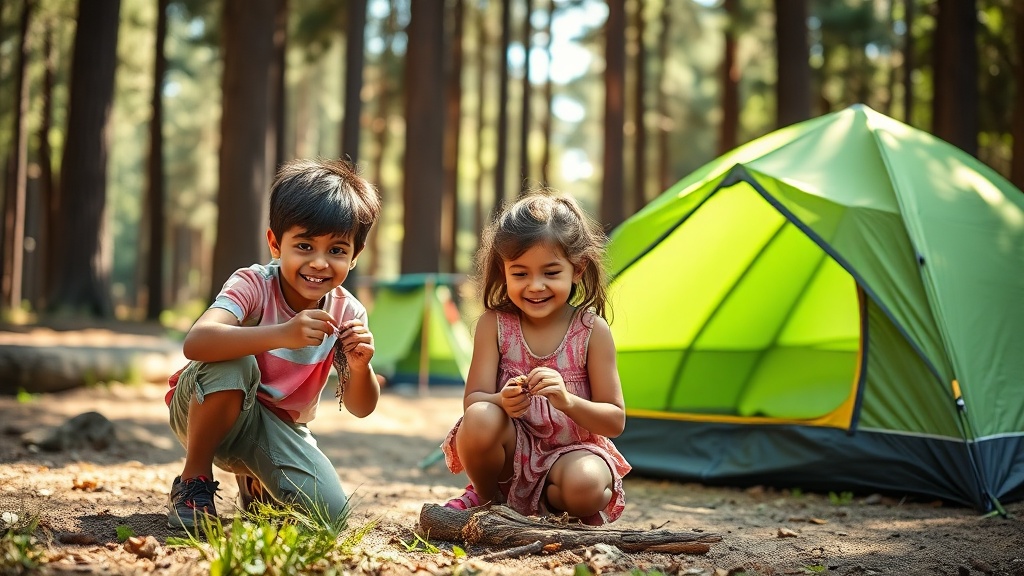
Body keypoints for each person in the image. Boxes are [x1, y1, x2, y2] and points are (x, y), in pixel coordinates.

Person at [164, 158, 382, 530]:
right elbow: (197, 342)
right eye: (304, 245)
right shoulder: (253, 284)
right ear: (275, 244)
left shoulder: (349, 311)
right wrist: (283, 334)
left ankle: (256, 481)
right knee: (236, 359)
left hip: (279, 429)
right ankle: (192, 483)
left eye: (336, 251)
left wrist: (361, 367)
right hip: (203, 408)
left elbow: (362, 407)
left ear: (355, 256)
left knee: (331, 517)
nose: (318, 263)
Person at [440, 189, 631, 525]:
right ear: (504, 271)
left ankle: (553, 509)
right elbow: (474, 401)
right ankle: (488, 501)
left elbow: (614, 420)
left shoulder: (592, 331)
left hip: (573, 453)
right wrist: (501, 400)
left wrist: (567, 401)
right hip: (510, 454)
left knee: (586, 486)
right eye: (520, 273)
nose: (535, 285)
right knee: (481, 416)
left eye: (551, 272)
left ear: (578, 269)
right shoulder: (495, 325)